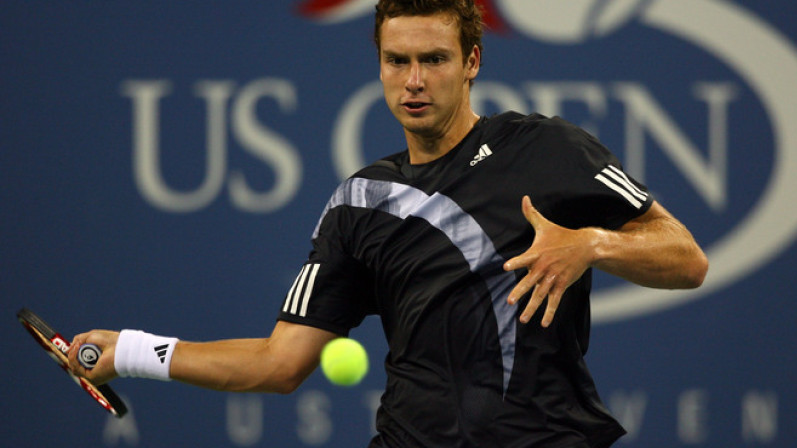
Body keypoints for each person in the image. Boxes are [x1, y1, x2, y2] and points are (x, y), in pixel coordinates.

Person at [68, 1, 708, 446]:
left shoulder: (549, 149)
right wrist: (125, 351)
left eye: (433, 59)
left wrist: (591, 245)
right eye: (396, 61)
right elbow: (276, 363)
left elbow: (686, 257)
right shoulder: (360, 202)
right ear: (378, 64)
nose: (414, 81)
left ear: (472, 61)